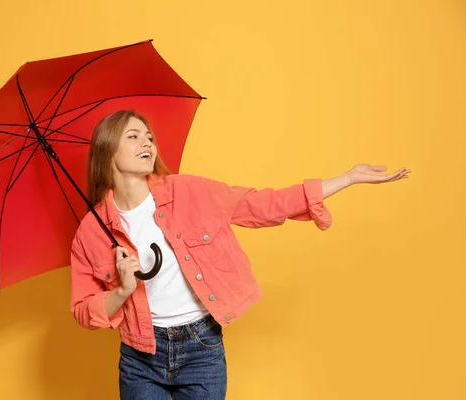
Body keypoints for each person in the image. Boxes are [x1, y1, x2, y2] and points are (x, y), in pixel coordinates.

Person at [69, 110, 410, 399]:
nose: (147, 142)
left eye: (148, 136)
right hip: (140, 358)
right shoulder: (92, 230)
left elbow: (261, 205)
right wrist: (121, 291)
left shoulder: (189, 191)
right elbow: (83, 311)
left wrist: (346, 178)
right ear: (108, 149)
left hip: (201, 347)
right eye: (133, 136)